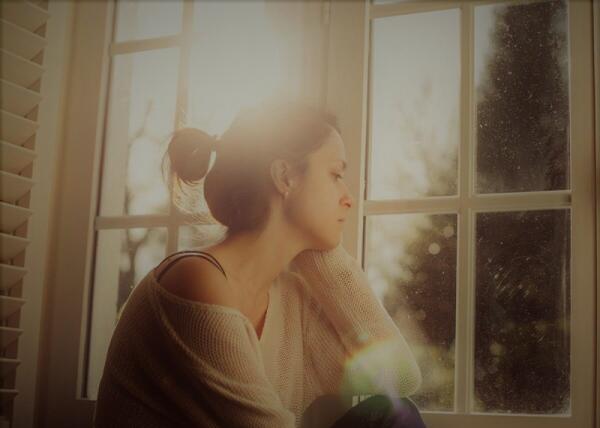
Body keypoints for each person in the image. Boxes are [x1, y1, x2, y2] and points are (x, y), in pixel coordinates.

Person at [94, 98, 426, 427]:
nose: (348, 198)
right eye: (335, 174)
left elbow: (398, 378)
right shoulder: (195, 280)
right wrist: (309, 231)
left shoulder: (290, 296)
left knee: (394, 414)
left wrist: (319, 252)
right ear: (285, 176)